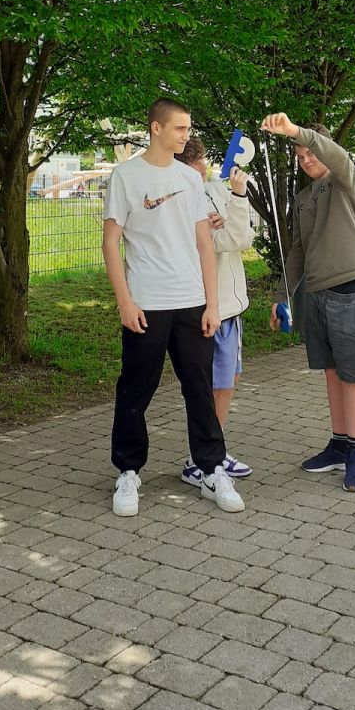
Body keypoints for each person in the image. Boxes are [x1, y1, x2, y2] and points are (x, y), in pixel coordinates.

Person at [102, 98, 246, 516]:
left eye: (188, 128)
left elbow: (204, 245)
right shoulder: (125, 177)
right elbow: (110, 243)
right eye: (180, 128)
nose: (186, 135)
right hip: (146, 303)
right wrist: (124, 301)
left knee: (199, 389)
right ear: (156, 128)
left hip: (192, 303)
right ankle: (128, 472)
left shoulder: (189, 178)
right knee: (135, 389)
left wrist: (212, 305)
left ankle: (211, 470)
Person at [261, 112, 355, 492]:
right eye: (299, 156)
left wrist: (294, 131)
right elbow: (298, 251)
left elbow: (335, 155)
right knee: (331, 373)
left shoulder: (343, 179)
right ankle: (340, 444)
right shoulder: (303, 199)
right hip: (318, 295)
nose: (306, 160)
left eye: (310, 152)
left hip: (352, 292)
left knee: (353, 377)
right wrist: (281, 296)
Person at [176, 136, 254, 485]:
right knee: (212, 385)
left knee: (228, 381)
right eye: (196, 167)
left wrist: (231, 206)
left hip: (228, 305)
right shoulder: (185, 199)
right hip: (209, 305)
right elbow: (228, 239)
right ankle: (201, 459)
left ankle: (213, 451)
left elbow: (241, 235)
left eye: (203, 163)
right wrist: (238, 197)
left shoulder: (211, 189)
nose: (204, 171)